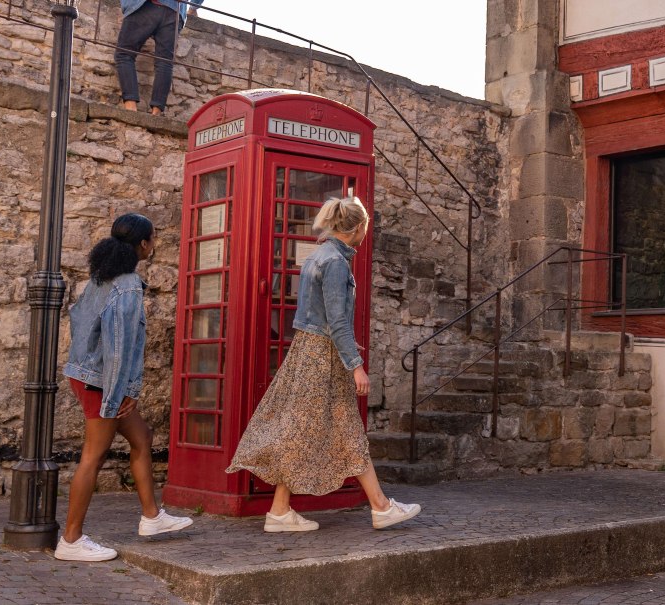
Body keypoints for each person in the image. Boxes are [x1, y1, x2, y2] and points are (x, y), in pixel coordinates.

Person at [226, 196, 421, 532]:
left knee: (313, 428)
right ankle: (379, 506)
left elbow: (317, 316)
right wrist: (356, 364)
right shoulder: (336, 263)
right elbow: (337, 321)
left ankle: (283, 510)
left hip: (309, 349)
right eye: (366, 226)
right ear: (359, 228)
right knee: (326, 427)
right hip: (322, 357)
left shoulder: (318, 255)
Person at [58, 213, 193, 562]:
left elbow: (77, 316)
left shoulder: (102, 276)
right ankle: (70, 540)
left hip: (88, 374)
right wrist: (122, 394)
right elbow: (118, 347)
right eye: (154, 238)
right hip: (102, 382)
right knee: (93, 455)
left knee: (142, 437)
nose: (155, 244)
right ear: (143, 244)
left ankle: (152, 517)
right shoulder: (128, 284)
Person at [115, 0, 199, 115]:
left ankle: (131, 108)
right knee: (164, 62)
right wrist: (194, 6)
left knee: (124, 54)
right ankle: (156, 113)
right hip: (175, 9)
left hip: (145, 5)